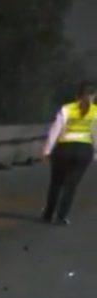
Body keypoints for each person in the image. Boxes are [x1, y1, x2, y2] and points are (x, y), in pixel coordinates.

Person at [43, 82, 97, 225]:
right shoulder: (95, 111)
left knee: (56, 183)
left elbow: (55, 130)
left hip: (64, 149)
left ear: (76, 95)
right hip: (84, 150)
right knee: (71, 185)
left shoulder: (66, 109)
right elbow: (95, 134)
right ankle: (61, 217)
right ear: (94, 96)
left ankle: (48, 214)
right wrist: (96, 153)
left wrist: (47, 150)